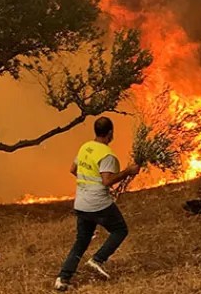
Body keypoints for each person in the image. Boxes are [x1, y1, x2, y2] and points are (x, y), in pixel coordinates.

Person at [54, 117, 140, 291]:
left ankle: (63, 279)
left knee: (81, 241)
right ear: (110, 133)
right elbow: (107, 181)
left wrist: (87, 183)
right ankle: (97, 260)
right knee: (120, 230)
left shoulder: (85, 147)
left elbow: (73, 169)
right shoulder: (107, 155)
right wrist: (128, 171)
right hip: (98, 203)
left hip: (81, 202)